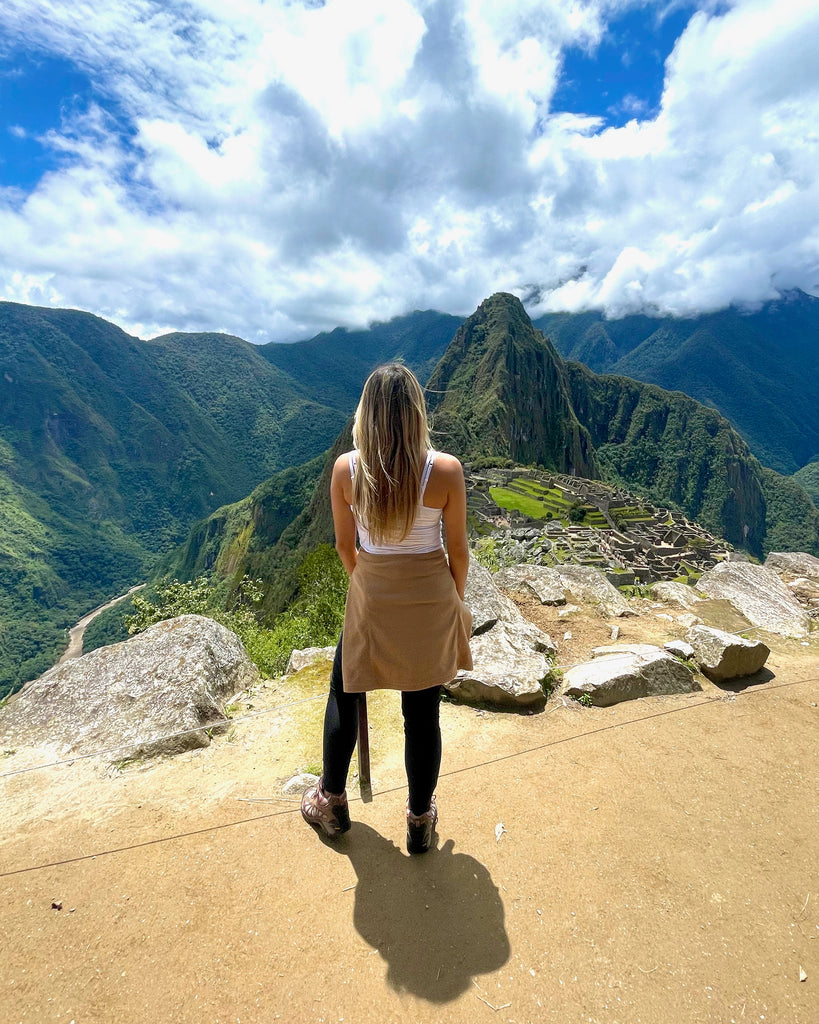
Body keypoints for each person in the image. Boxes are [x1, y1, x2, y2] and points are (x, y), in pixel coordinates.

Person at [301, 362, 473, 853]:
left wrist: (369, 585)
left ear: (367, 415)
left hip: (373, 593)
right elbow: (458, 550)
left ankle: (331, 802)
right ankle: (420, 818)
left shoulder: (347, 471)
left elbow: (343, 545)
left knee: (345, 690)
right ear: (417, 413)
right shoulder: (445, 471)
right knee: (422, 714)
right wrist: (450, 603)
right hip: (430, 598)